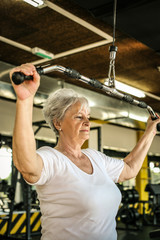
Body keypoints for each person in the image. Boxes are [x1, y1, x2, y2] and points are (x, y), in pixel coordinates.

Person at [10, 63, 160, 240]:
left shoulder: (95, 157)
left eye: (88, 117)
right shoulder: (53, 159)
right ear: (58, 123)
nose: (87, 122)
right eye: (79, 117)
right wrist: (25, 100)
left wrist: (151, 129)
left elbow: (129, 168)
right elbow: (27, 165)